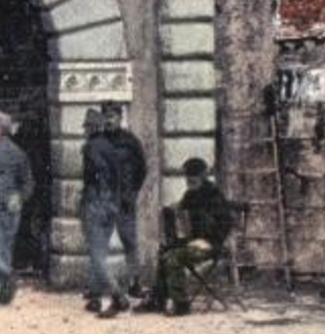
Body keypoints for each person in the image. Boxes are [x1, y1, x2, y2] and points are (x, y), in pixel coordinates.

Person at [146, 157, 234, 317]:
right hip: (191, 241)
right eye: (187, 177)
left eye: (192, 177)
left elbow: (225, 224)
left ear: (202, 176)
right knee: (164, 251)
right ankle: (157, 299)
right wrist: (174, 210)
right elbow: (181, 213)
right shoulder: (190, 194)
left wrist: (208, 236)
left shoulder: (214, 195)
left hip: (210, 244)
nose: (189, 181)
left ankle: (181, 304)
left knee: (173, 257)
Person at [79, 107, 129, 318]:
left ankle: (118, 296)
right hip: (111, 206)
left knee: (96, 254)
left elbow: (98, 174)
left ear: (92, 128)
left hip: (96, 204)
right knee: (99, 250)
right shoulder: (110, 146)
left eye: (86, 127)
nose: (84, 131)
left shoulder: (91, 148)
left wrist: (93, 196)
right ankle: (95, 298)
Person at [0, 108, 34, 306]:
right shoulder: (15, 151)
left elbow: (27, 181)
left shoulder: (0, 151)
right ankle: (5, 291)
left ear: (2, 129)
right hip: (7, 206)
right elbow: (28, 182)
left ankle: (9, 278)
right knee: (3, 250)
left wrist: (19, 197)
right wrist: (20, 198)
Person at [104, 103, 149, 298]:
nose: (109, 119)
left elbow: (142, 169)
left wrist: (132, 192)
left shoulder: (130, 141)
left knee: (129, 242)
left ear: (120, 117)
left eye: (113, 115)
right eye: (106, 115)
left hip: (124, 200)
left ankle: (135, 283)